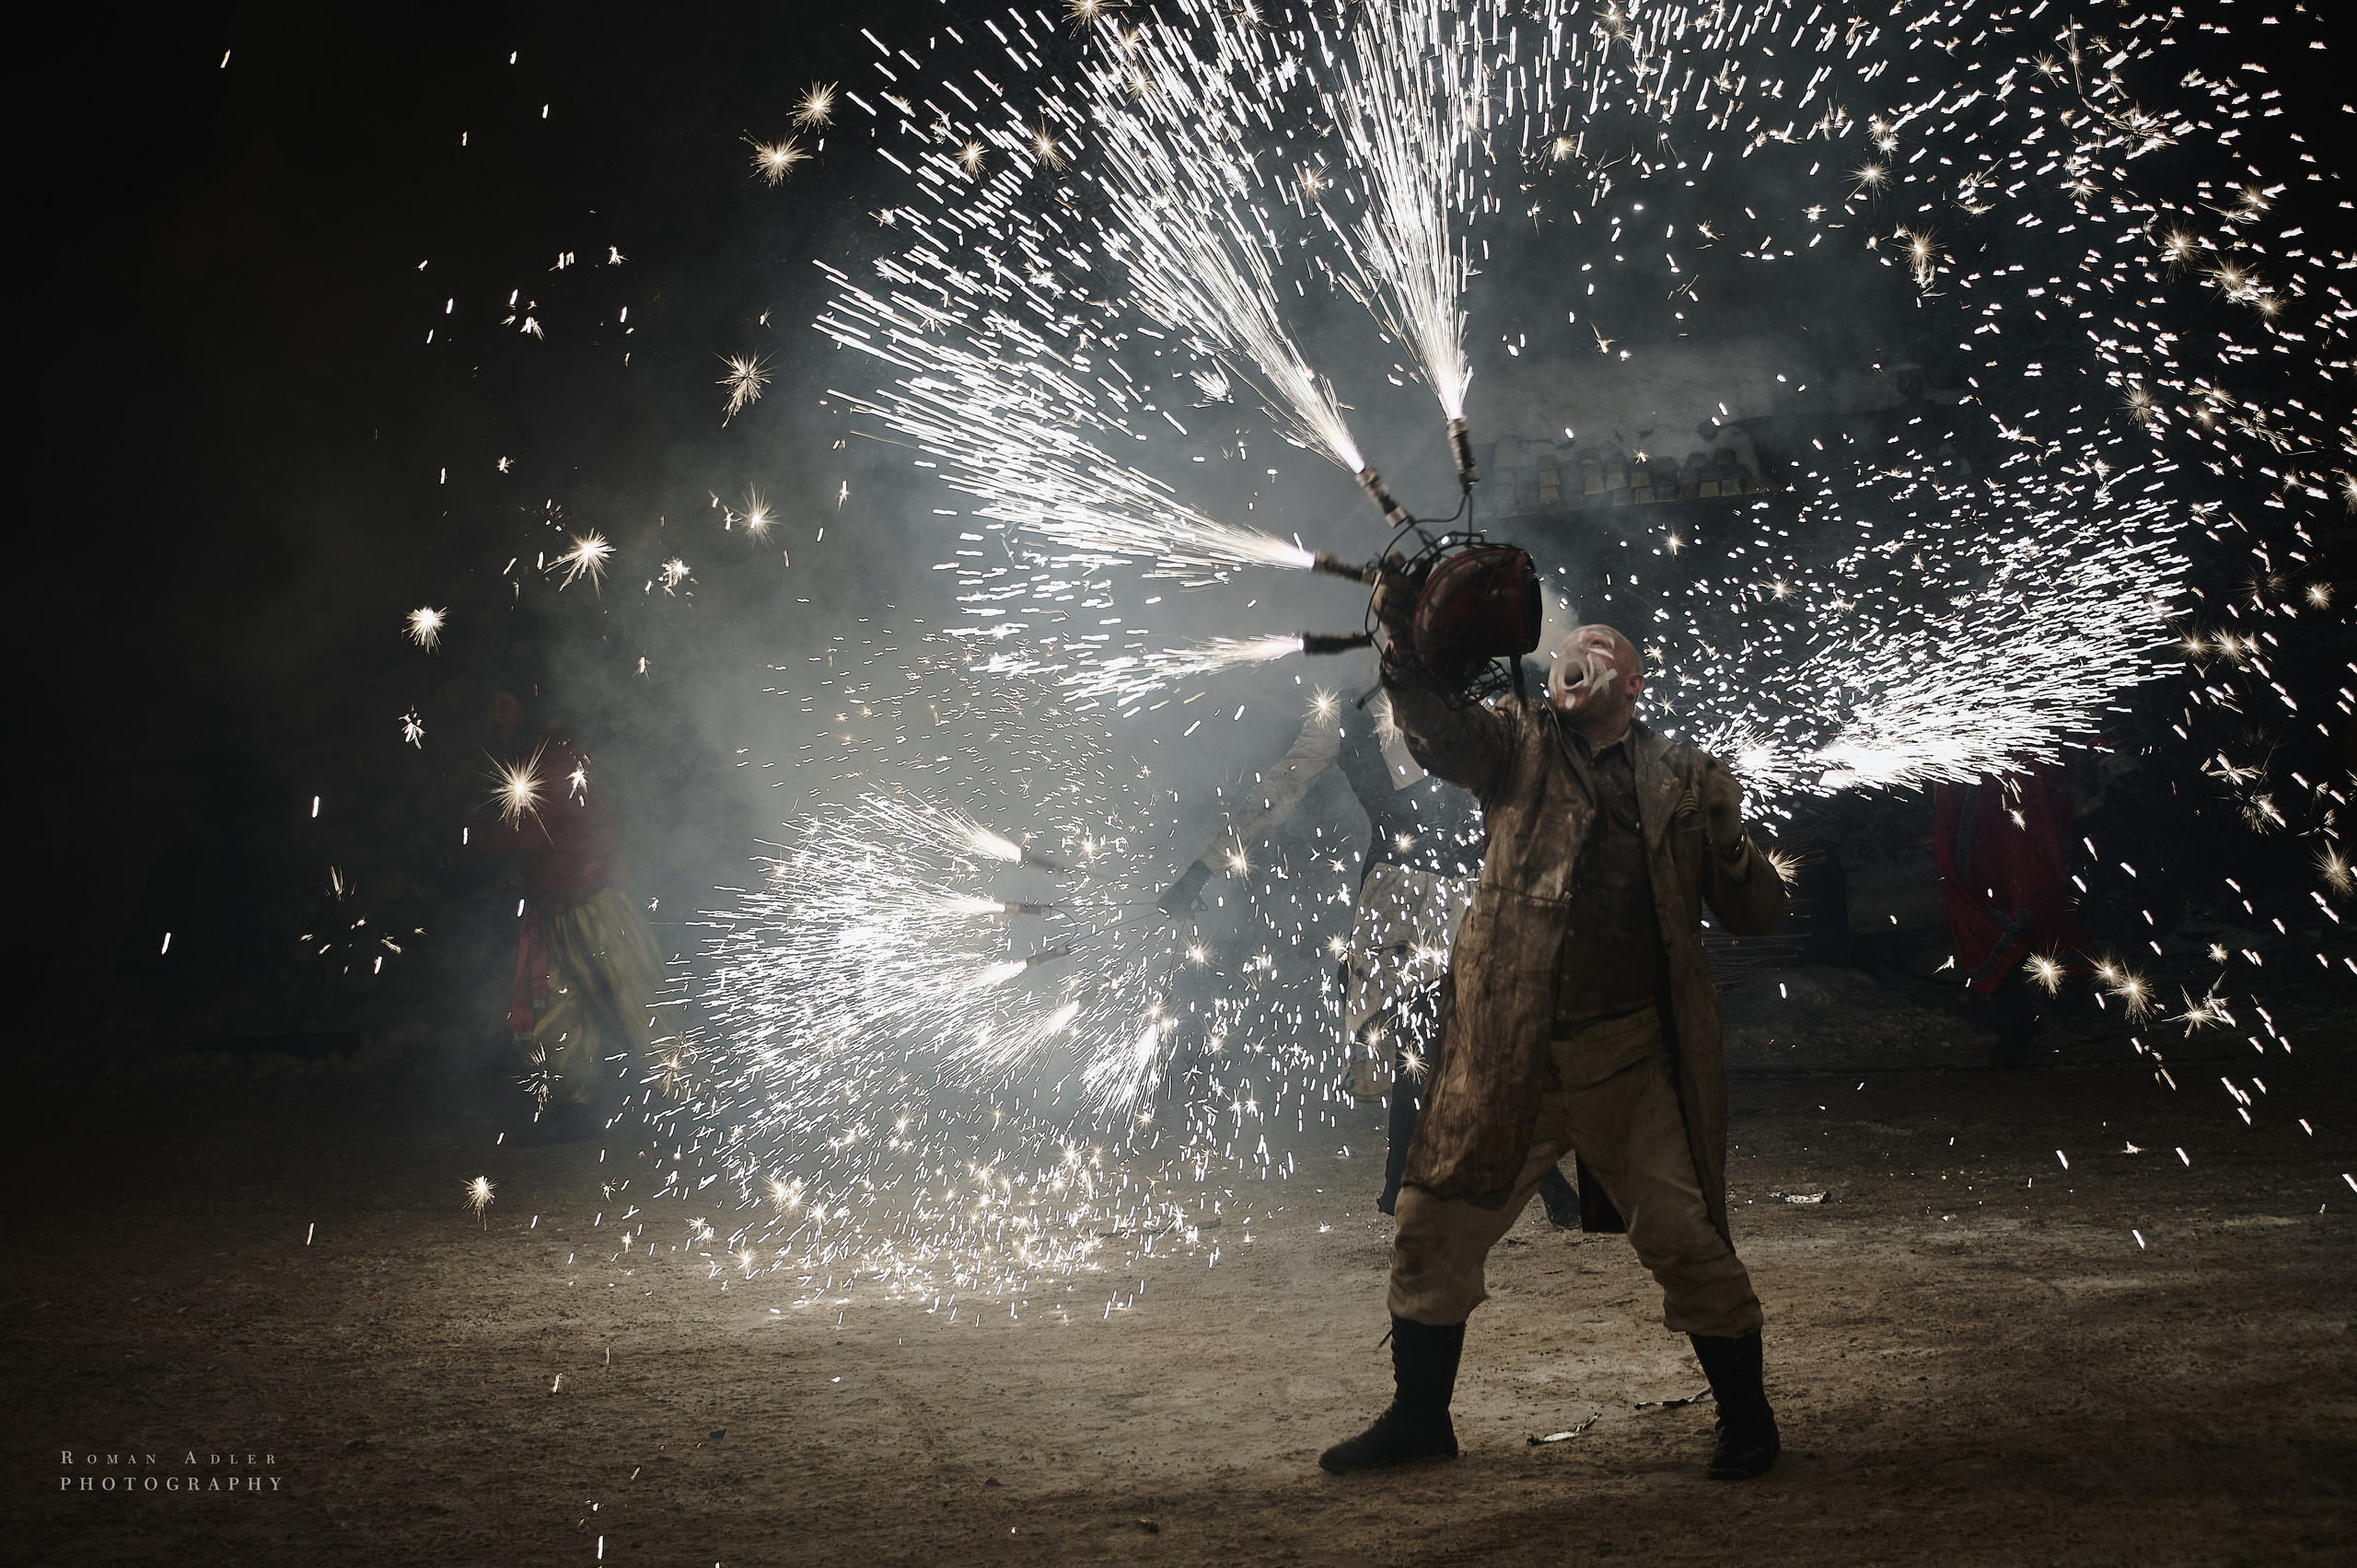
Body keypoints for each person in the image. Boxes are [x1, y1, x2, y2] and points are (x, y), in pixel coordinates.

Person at [1318, 591, 1788, 1481]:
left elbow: (1757, 910)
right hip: (1509, 1049)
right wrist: (1408, 665)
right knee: (1430, 1224)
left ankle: (1749, 1420)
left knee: (1684, 1234)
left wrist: (1728, 839)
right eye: (1568, 646)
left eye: (1599, 646)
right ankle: (1420, 1420)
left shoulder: (1685, 777)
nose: (1576, 651)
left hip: (1628, 1055)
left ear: (1632, 683)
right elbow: (1438, 737)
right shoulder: (1515, 741)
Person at [1158, 675, 1579, 1222]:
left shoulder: (1486, 693)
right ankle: (1508, 1188)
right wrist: (1202, 869)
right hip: (1398, 903)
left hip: (1476, 894)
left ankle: (1403, 1183)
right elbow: (1279, 790)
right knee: (1427, 1040)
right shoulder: (1347, 709)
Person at [472, 690, 662, 1142]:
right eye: (493, 700)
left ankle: (698, 1104)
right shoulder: (534, 756)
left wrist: (466, 835)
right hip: (557, 907)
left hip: (596, 904)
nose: (495, 709)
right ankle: (570, 1109)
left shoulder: (554, 758)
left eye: (505, 699)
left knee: (645, 1008)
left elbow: (526, 834)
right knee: (559, 1017)